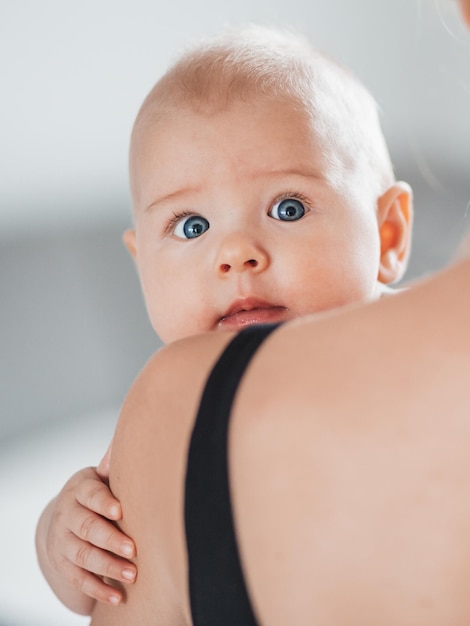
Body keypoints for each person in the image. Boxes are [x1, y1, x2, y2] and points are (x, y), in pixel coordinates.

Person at [35, 23, 415, 615]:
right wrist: (63, 540)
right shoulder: (170, 412)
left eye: (287, 208)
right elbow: (105, 589)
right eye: (191, 226)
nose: (235, 253)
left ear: (387, 235)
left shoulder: (421, 360)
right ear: (141, 264)